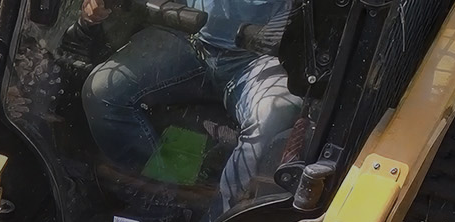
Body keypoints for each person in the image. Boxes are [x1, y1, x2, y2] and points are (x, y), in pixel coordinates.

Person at [78, 0, 303, 209]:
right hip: (190, 36)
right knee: (102, 92)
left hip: (262, 56)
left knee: (275, 115)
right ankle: (161, 201)